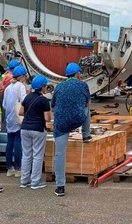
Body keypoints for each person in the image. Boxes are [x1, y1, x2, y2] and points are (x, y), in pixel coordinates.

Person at [51, 62, 91, 197]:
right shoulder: (83, 85)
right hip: (77, 119)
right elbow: (87, 103)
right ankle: (86, 135)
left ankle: (60, 186)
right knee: (87, 109)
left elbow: (52, 106)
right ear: (78, 74)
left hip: (61, 123)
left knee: (60, 154)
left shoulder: (59, 86)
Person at [19, 75, 51, 190]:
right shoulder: (43, 100)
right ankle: (35, 182)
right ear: (42, 87)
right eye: (45, 85)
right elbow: (47, 118)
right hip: (38, 129)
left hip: (25, 128)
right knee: (37, 155)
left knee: (26, 155)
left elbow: (21, 112)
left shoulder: (27, 97)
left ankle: (24, 181)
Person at [2, 65, 27, 178]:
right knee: (18, 142)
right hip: (18, 117)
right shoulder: (20, 86)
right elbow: (24, 101)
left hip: (9, 117)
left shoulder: (8, 88)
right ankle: (18, 168)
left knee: (9, 143)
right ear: (22, 76)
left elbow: (4, 105)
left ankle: (9, 168)